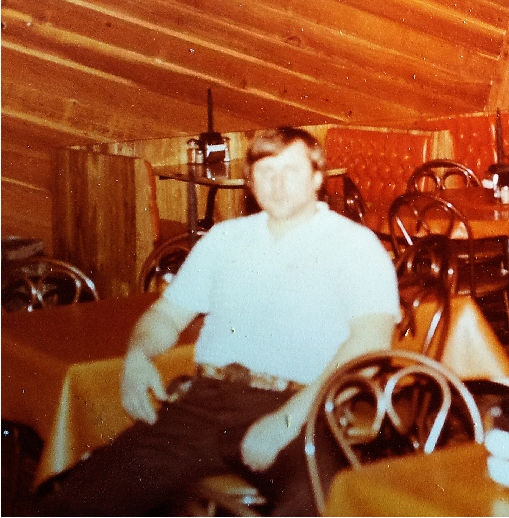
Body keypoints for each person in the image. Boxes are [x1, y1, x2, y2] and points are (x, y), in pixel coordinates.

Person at [36, 127, 401, 516]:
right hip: (206, 400)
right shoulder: (225, 239)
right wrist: (138, 357)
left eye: (291, 171)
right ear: (249, 182)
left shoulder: (354, 245)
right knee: (82, 499)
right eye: (265, 172)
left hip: (305, 403)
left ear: (317, 178)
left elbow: (371, 341)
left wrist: (288, 419)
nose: (277, 184)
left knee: (314, 503)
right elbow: (166, 314)